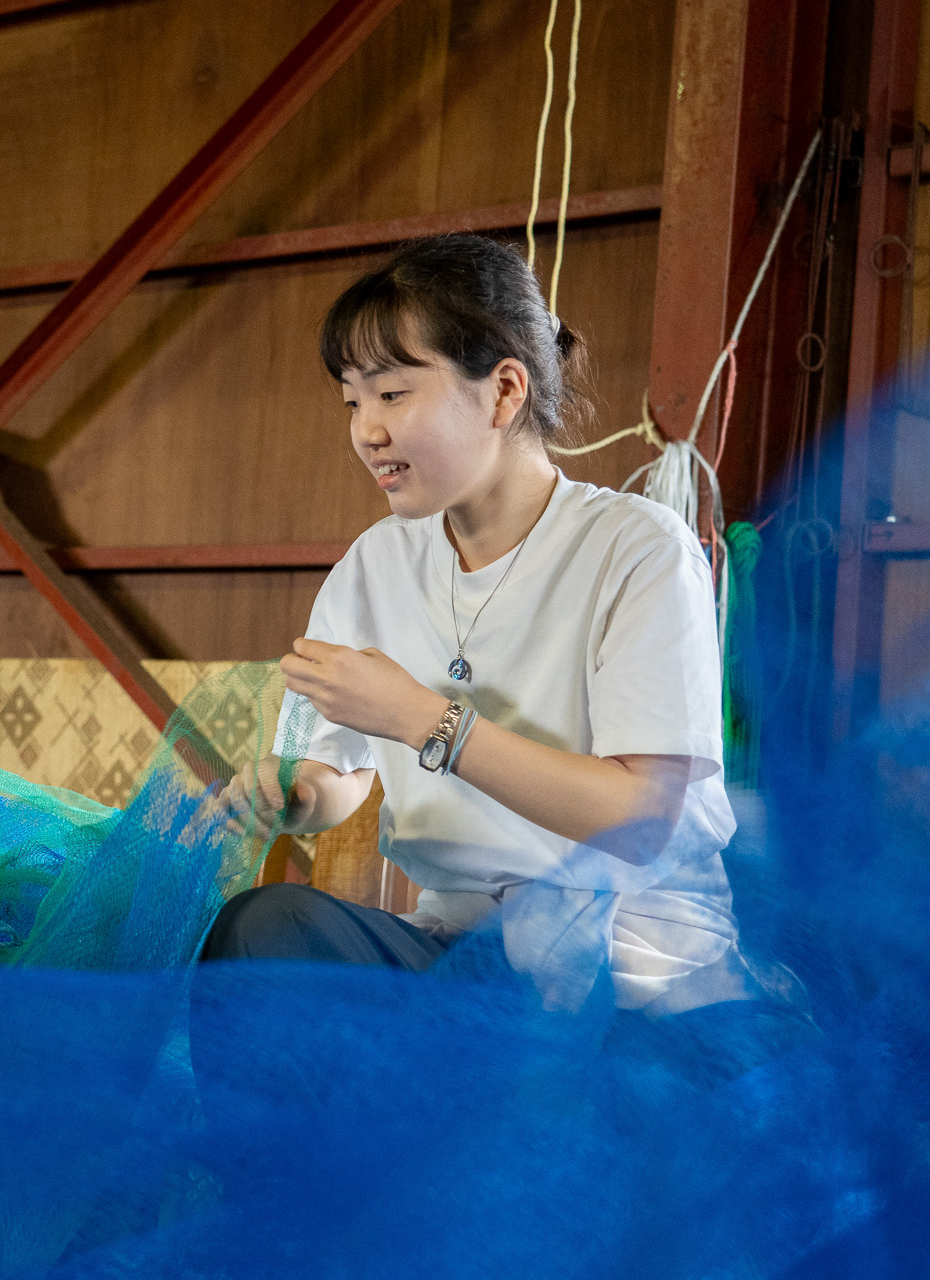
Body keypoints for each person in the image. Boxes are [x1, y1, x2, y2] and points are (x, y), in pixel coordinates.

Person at [209, 235, 806, 1043]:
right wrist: (300, 795)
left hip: (641, 974)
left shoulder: (637, 549)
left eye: (391, 394)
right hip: (460, 957)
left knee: (654, 1135)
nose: (366, 432)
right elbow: (337, 768)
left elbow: (641, 819)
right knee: (266, 930)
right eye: (352, 401)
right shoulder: (373, 565)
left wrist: (428, 720)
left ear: (504, 391)